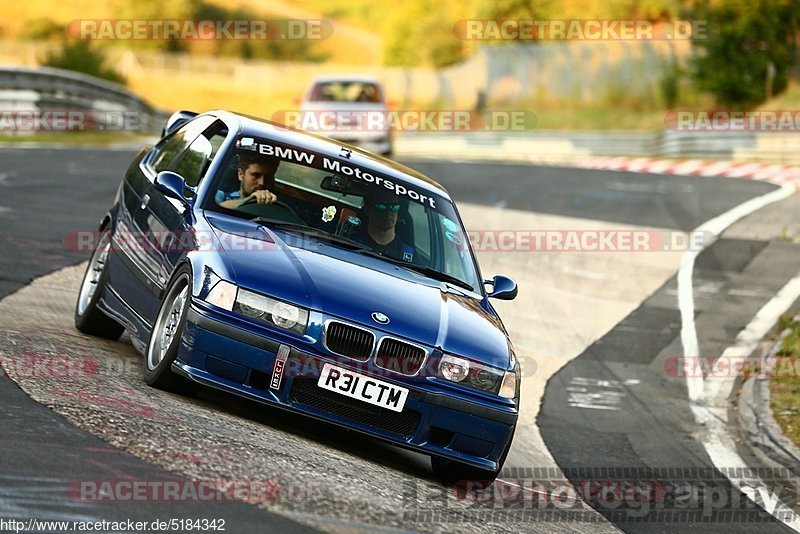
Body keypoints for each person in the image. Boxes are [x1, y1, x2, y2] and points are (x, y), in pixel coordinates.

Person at [356, 192, 415, 262]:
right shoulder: (352, 244)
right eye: (381, 206)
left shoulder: (409, 255)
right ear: (367, 210)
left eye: (394, 206)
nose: (388, 212)